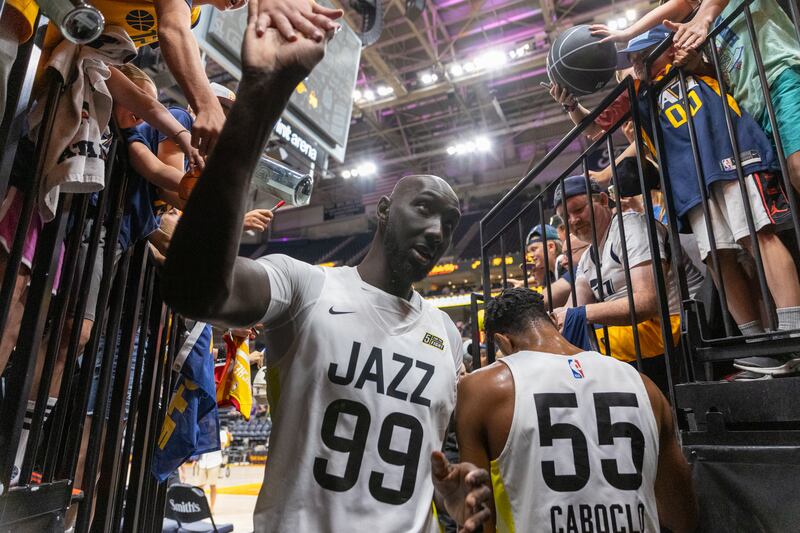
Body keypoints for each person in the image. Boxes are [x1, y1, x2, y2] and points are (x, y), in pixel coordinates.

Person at [161, 5, 491, 532]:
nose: (437, 230)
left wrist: (450, 498)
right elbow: (193, 291)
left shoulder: (448, 337)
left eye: (449, 221)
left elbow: (438, 463)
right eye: (424, 208)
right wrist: (258, 97)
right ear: (382, 211)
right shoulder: (304, 286)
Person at [456, 287, 698, 533]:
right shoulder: (643, 385)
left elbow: (477, 514)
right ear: (553, 321)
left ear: (502, 341)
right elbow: (681, 514)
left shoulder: (482, 389)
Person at [590, 0, 800, 194]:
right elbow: (721, 74)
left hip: (778, 76)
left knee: (797, 168)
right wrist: (697, 65)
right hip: (748, 103)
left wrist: (628, 32)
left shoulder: (704, 18)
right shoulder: (696, 24)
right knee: (788, 185)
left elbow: (686, 5)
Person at [552, 176, 702, 393]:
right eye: (565, 217)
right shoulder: (587, 258)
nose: (573, 220)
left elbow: (647, 302)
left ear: (603, 200)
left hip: (674, 324)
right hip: (634, 331)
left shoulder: (631, 227)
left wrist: (580, 314)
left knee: (585, 352)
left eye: (578, 209)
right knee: (563, 350)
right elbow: (569, 312)